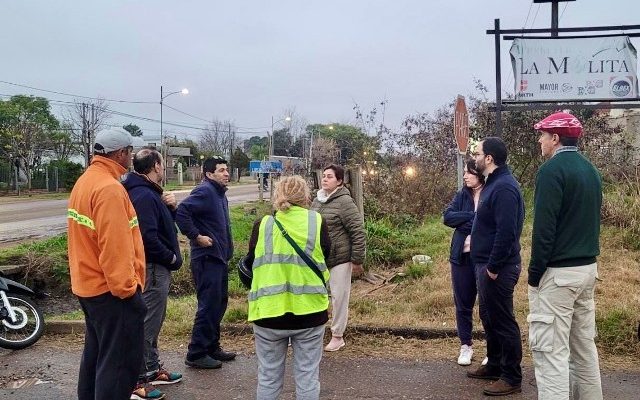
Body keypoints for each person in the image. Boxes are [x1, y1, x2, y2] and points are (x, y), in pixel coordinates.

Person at [67, 128, 146, 400]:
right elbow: (115, 247)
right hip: (113, 292)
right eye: (130, 152)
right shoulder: (110, 189)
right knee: (119, 365)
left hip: (89, 286)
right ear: (121, 153)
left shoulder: (86, 181)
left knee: (97, 357)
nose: (132, 156)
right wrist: (128, 290)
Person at [528, 112, 603, 399]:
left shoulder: (551, 171)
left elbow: (544, 230)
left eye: (543, 135)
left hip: (558, 275)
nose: (540, 140)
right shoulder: (590, 170)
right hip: (587, 270)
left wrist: (535, 275)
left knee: (551, 354)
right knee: (584, 349)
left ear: (555, 138)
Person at [245, 176, 331, 400]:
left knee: (268, 377)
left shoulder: (262, 225)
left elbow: (250, 264)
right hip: (310, 312)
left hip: (268, 313)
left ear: (277, 196)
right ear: (306, 196)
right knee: (307, 376)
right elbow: (327, 257)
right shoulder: (317, 222)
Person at [123, 148, 184, 400]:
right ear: (156, 166)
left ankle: (150, 368)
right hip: (153, 268)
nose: (164, 168)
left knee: (154, 321)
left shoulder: (149, 193)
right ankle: (136, 379)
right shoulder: (144, 196)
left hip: (155, 267)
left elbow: (162, 226)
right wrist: (170, 257)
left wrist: (170, 209)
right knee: (147, 323)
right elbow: (147, 237)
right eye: (162, 164)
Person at [466, 137, 524, 397]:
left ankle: (511, 376)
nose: (474, 157)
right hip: (485, 264)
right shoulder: (493, 184)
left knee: (502, 320)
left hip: (498, 267)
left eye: (477, 153)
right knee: (489, 318)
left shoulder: (504, 188)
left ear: (489, 158)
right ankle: (495, 364)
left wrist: (493, 266)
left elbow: (507, 232)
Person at [176, 156, 235, 369]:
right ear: (209, 174)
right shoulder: (205, 191)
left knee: (218, 304)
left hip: (219, 258)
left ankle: (211, 347)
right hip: (207, 258)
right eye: (221, 170)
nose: (226, 174)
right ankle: (196, 352)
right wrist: (196, 236)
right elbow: (182, 213)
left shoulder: (219, 194)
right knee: (208, 305)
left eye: (226, 170)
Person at [310, 164, 366, 352]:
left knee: (339, 297)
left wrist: (357, 259)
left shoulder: (345, 202)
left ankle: (337, 335)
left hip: (340, 257)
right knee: (316, 296)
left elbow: (357, 231)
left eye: (330, 177)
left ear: (339, 181)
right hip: (319, 258)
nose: (325, 179)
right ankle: (314, 331)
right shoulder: (317, 201)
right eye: (324, 176)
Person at [443, 159, 484, 366]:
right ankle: (466, 345)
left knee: (487, 304)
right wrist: (474, 217)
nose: (465, 176)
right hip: (461, 256)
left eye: (469, 173)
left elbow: (490, 222)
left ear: (480, 174)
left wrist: (468, 222)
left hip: (483, 257)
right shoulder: (463, 195)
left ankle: (493, 348)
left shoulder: (491, 192)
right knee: (463, 303)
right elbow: (448, 217)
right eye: (465, 173)